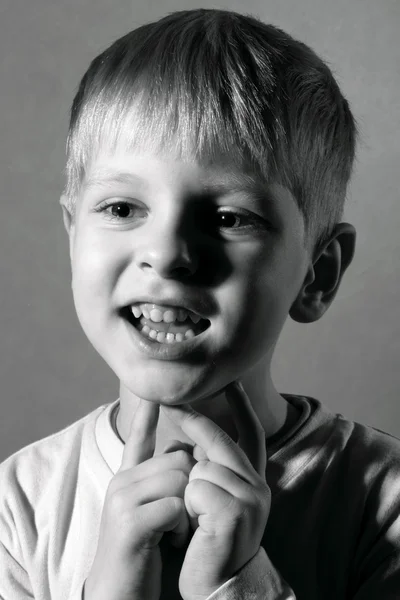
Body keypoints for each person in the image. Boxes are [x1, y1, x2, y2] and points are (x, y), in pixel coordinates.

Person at [1, 7, 399, 600]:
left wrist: (239, 586)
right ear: (72, 233)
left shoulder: (383, 502)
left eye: (229, 218)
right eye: (121, 209)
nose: (166, 254)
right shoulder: (16, 507)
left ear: (318, 272)